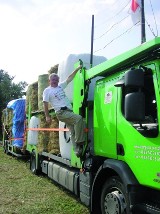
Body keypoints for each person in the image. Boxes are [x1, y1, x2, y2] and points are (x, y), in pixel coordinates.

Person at [43, 65, 85, 158]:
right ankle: (80, 141)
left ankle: (77, 151)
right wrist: (47, 116)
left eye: (56, 79)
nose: (55, 81)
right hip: (61, 113)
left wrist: (77, 69)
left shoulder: (60, 86)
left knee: (72, 131)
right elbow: (45, 103)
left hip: (69, 111)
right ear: (49, 81)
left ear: (58, 80)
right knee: (78, 119)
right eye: (53, 80)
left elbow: (69, 78)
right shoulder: (47, 91)